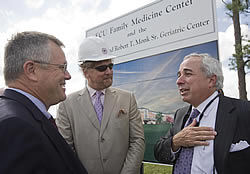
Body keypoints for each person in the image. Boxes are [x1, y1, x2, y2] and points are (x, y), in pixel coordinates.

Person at [0, 31, 88, 174]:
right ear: (32, 70)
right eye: (62, 67)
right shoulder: (15, 127)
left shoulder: (18, 115)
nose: (68, 75)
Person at [56, 36, 145, 174]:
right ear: (86, 72)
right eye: (102, 68)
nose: (109, 71)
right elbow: (66, 151)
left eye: (110, 66)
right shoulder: (67, 105)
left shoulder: (127, 99)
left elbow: (137, 142)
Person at [154, 53, 250, 174]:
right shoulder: (181, 114)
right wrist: (176, 141)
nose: (179, 81)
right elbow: (159, 151)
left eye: (187, 74)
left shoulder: (244, 111)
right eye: (179, 75)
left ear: (211, 80)